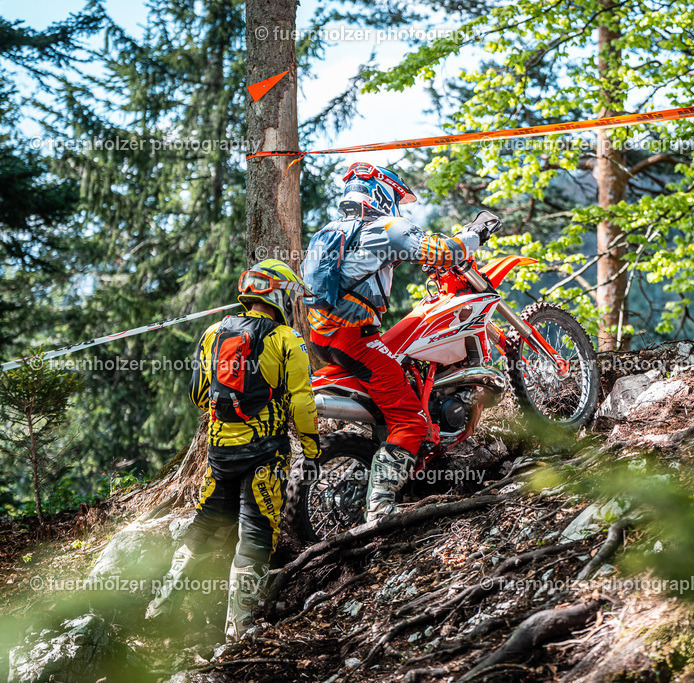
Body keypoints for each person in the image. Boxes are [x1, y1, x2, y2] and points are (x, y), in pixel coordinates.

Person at [302, 162, 496, 522]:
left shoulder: (330, 231)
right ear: (384, 192)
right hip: (356, 340)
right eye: (397, 199)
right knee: (410, 420)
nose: (400, 206)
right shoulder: (384, 226)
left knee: (403, 372)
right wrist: (476, 233)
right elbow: (443, 253)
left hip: (324, 338)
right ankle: (380, 506)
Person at [146, 259, 321, 641]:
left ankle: (160, 605)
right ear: (278, 295)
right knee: (256, 535)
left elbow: (197, 395)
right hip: (265, 455)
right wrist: (312, 447)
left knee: (205, 524)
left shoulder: (213, 333)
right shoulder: (286, 339)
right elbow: (303, 403)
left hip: (219, 453)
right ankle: (239, 628)